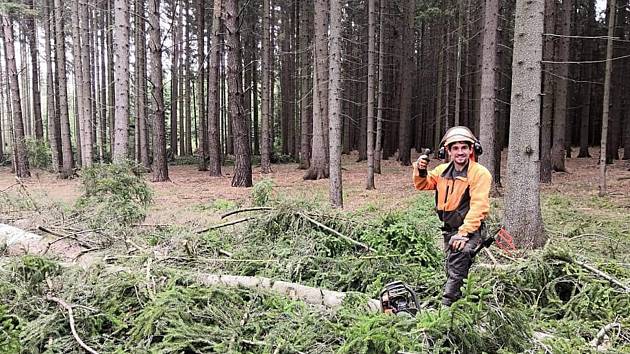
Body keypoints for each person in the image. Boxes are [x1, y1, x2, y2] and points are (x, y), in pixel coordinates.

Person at [412, 126, 492, 306]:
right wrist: (421, 169)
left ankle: (448, 308)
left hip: (469, 230)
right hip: (449, 229)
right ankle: (463, 304)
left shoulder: (480, 174)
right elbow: (423, 184)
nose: (460, 152)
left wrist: (463, 234)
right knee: (452, 268)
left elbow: (479, 206)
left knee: (459, 260)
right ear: (447, 151)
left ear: (472, 149)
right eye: (455, 148)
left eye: (464, 147)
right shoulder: (442, 171)